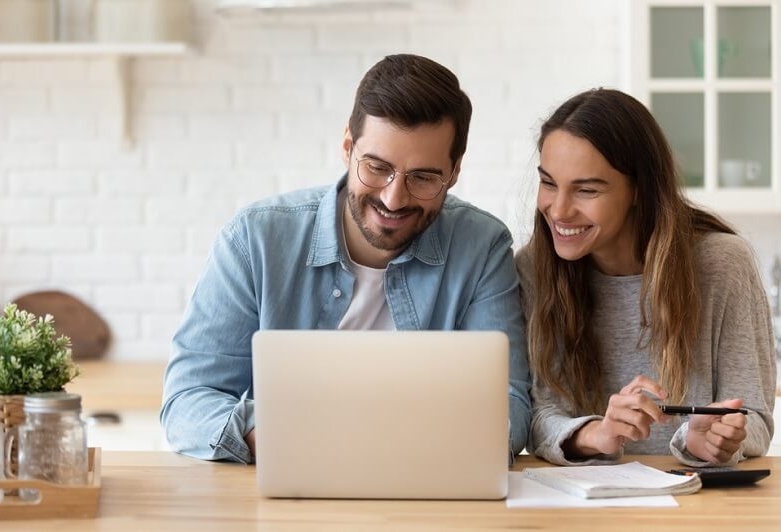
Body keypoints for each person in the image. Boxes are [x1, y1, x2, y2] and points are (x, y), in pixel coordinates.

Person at [160, 53, 531, 463]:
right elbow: (186, 400)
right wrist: (266, 434)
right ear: (347, 148)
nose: (394, 197)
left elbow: (508, 403)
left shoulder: (482, 247)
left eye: (423, 178)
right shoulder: (255, 240)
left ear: (455, 171)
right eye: (377, 167)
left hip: (424, 492)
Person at [516, 88, 775, 466]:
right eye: (549, 183)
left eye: (586, 189)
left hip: (698, 508)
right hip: (581, 504)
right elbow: (539, 415)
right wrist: (599, 434)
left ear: (640, 190)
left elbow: (754, 416)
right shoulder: (534, 268)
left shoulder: (722, 264)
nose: (558, 210)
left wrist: (710, 438)